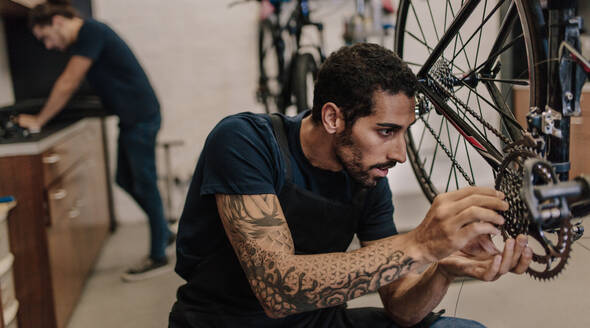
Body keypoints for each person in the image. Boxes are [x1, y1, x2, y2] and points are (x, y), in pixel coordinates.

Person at [169, 43, 533, 327]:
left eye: (405, 132)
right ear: (332, 118)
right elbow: (278, 289)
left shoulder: (368, 178)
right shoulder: (245, 142)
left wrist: (442, 268)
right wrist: (420, 242)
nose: (400, 154)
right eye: (386, 131)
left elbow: (402, 309)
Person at [19, 2, 174, 282]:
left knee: (143, 183)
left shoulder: (91, 31)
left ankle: (158, 254)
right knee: (125, 180)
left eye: (45, 37)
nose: (49, 45)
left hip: (141, 118)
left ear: (56, 21)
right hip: (132, 119)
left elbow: (69, 82)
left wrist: (39, 120)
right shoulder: (88, 36)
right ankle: (163, 231)